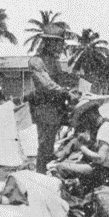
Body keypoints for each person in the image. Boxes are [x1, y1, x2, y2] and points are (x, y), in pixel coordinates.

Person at [28, 24, 80, 174]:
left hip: (57, 107)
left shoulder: (55, 62)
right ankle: (41, 175)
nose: (60, 46)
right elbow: (47, 84)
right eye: (56, 42)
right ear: (47, 42)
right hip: (44, 107)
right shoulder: (36, 61)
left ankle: (49, 174)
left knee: (53, 145)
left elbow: (61, 80)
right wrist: (66, 92)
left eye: (60, 42)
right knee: (45, 145)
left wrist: (72, 87)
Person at [50, 98, 109, 190]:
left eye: (84, 118)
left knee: (61, 167)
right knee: (69, 164)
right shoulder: (107, 126)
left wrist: (81, 147)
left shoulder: (104, 129)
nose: (84, 122)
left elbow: (100, 158)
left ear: (91, 115)